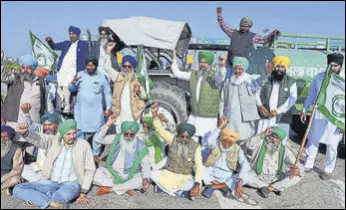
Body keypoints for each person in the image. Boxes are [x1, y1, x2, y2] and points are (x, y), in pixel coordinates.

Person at [13, 120, 95, 208]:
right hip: (50, 182)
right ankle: (51, 203)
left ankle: (39, 199)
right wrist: (26, 133)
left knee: (61, 196)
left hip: (71, 184)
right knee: (17, 189)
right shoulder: (53, 141)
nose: (72, 136)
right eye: (68, 134)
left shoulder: (83, 145)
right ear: (62, 134)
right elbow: (39, 138)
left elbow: (90, 169)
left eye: (74, 133)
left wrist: (83, 193)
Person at [302, 53, 345, 180]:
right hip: (319, 114)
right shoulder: (319, 77)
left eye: (335, 66)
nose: (332, 68)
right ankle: (308, 164)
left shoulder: (343, 79)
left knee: (332, 144)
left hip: (336, 117)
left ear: (341, 66)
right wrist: (305, 109)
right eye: (330, 65)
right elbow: (311, 95)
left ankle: (328, 169)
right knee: (313, 140)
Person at [150, 103, 203, 200]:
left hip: (184, 176)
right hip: (169, 173)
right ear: (179, 135)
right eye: (182, 136)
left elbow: (199, 166)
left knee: (190, 184)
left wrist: (197, 183)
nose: (184, 139)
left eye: (187, 137)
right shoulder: (173, 139)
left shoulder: (196, 146)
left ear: (190, 137)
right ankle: (179, 192)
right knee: (152, 174)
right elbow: (160, 129)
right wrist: (154, 115)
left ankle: (164, 189)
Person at [202, 117, 256, 205]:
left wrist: (240, 182)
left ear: (233, 142)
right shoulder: (215, 143)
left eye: (229, 142)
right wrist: (220, 127)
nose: (226, 144)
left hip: (227, 176)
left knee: (247, 175)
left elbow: (245, 164)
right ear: (221, 139)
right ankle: (223, 186)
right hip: (211, 173)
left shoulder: (237, 149)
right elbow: (209, 140)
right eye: (224, 141)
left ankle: (214, 187)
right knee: (199, 167)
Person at [217, 7, 281, 80]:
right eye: (242, 26)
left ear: (249, 27)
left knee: (241, 83)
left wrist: (273, 33)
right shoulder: (233, 33)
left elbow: (264, 39)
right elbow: (224, 26)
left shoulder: (252, 36)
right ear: (240, 25)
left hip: (243, 66)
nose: (244, 28)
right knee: (227, 81)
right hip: (230, 64)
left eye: (246, 26)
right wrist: (219, 14)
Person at [171, 50, 223, 140]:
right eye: (201, 62)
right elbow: (177, 74)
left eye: (205, 62)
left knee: (207, 144)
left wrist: (222, 66)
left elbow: (221, 78)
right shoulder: (194, 75)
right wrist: (174, 59)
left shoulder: (214, 76)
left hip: (208, 117)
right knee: (192, 141)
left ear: (210, 63)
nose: (202, 64)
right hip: (195, 115)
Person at [93, 116, 151, 196]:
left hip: (130, 174)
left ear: (135, 133)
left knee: (141, 180)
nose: (129, 137)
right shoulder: (116, 138)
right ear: (123, 132)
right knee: (95, 175)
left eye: (132, 134)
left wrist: (146, 178)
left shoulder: (141, 145)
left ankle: (110, 189)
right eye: (126, 134)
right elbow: (98, 139)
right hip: (112, 171)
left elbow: (145, 164)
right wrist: (108, 124)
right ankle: (125, 188)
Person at [69, 57, 112, 164]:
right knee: (80, 132)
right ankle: (81, 154)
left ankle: (95, 154)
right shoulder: (79, 75)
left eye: (92, 65)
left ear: (96, 66)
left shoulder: (102, 77)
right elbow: (71, 89)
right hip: (81, 111)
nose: (90, 67)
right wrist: (72, 83)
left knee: (97, 134)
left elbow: (107, 93)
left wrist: (108, 108)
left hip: (96, 112)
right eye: (88, 65)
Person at [245, 126, 302, 198]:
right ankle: (273, 187)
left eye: (277, 138)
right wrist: (262, 135)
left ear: (280, 140)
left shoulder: (284, 150)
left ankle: (269, 188)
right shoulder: (260, 144)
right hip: (258, 175)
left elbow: (296, 164)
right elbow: (249, 144)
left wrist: (296, 169)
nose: (273, 139)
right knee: (244, 175)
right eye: (272, 136)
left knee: (297, 176)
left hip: (275, 178)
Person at [219, 56, 266, 142]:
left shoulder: (249, 80)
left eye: (240, 69)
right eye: (235, 68)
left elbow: (260, 81)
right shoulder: (228, 81)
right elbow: (222, 99)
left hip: (244, 117)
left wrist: (267, 72)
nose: (237, 71)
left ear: (244, 68)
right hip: (229, 117)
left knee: (243, 138)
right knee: (229, 138)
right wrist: (221, 114)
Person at [46, 26, 89, 118]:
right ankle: (60, 108)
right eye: (70, 34)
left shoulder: (83, 44)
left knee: (67, 87)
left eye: (73, 34)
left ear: (77, 34)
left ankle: (67, 108)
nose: (71, 35)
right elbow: (54, 47)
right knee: (60, 89)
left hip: (74, 71)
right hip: (62, 71)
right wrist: (49, 41)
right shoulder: (66, 44)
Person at [256, 56, 297, 135]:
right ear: (274, 67)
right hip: (265, 116)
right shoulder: (266, 78)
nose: (279, 69)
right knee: (261, 141)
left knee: (280, 142)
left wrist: (278, 111)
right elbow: (257, 91)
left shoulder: (291, 82)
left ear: (285, 68)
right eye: (277, 66)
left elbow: (292, 99)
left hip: (282, 118)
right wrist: (260, 105)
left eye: (282, 67)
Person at [1, 53, 46, 125]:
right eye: (23, 68)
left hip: (34, 121)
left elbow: (44, 101)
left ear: (33, 69)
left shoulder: (40, 81)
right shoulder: (15, 78)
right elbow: (3, 78)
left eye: (28, 68)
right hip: (14, 121)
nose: (25, 70)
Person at [19, 110, 61, 182]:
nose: (47, 127)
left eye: (50, 125)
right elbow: (32, 124)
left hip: (53, 170)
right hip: (39, 166)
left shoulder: (60, 136)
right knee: (23, 169)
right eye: (45, 125)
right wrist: (26, 113)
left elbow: (43, 140)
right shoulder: (42, 130)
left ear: (57, 124)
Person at [112, 55, 147, 133]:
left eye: (129, 67)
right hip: (121, 113)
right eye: (125, 66)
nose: (127, 69)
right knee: (121, 133)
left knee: (133, 134)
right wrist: (108, 53)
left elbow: (144, 96)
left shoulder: (137, 80)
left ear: (132, 68)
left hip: (133, 113)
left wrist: (139, 92)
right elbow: (107, 68)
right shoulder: (118, 77)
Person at [1, 125, 24, 196]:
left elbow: (17, 170)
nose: (1, 139)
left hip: (8, 175)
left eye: (4, 137)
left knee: (16, 179)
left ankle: (3, 187)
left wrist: (2, 178)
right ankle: (5, 189)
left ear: (10, 137)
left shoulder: (16, 149)